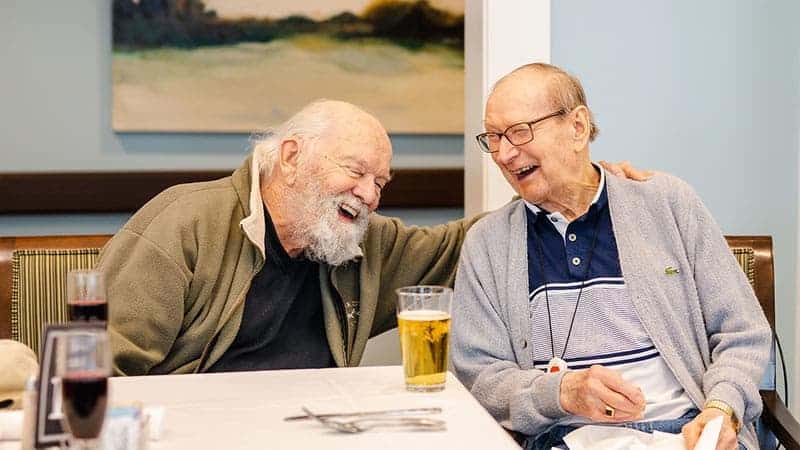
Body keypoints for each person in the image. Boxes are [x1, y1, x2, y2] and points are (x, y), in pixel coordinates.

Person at [97, 99, 647, 377]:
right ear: (291, 158)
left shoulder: (361, 242)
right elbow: (102, 375)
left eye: (381, 182)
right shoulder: (184, 225)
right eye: (356, 172)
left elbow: (464, 246)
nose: (370, 194)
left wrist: (568, 182)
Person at [450, 63, 771, 450]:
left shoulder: (667, 202)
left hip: (689, 433)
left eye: (519, 131)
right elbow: (480, 376)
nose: (503, 154)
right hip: (565, 440)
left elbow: (742, 332)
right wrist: (562, 392)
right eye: (494, 137)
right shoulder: (488, 243)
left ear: (578, 127)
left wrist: (722, 408)